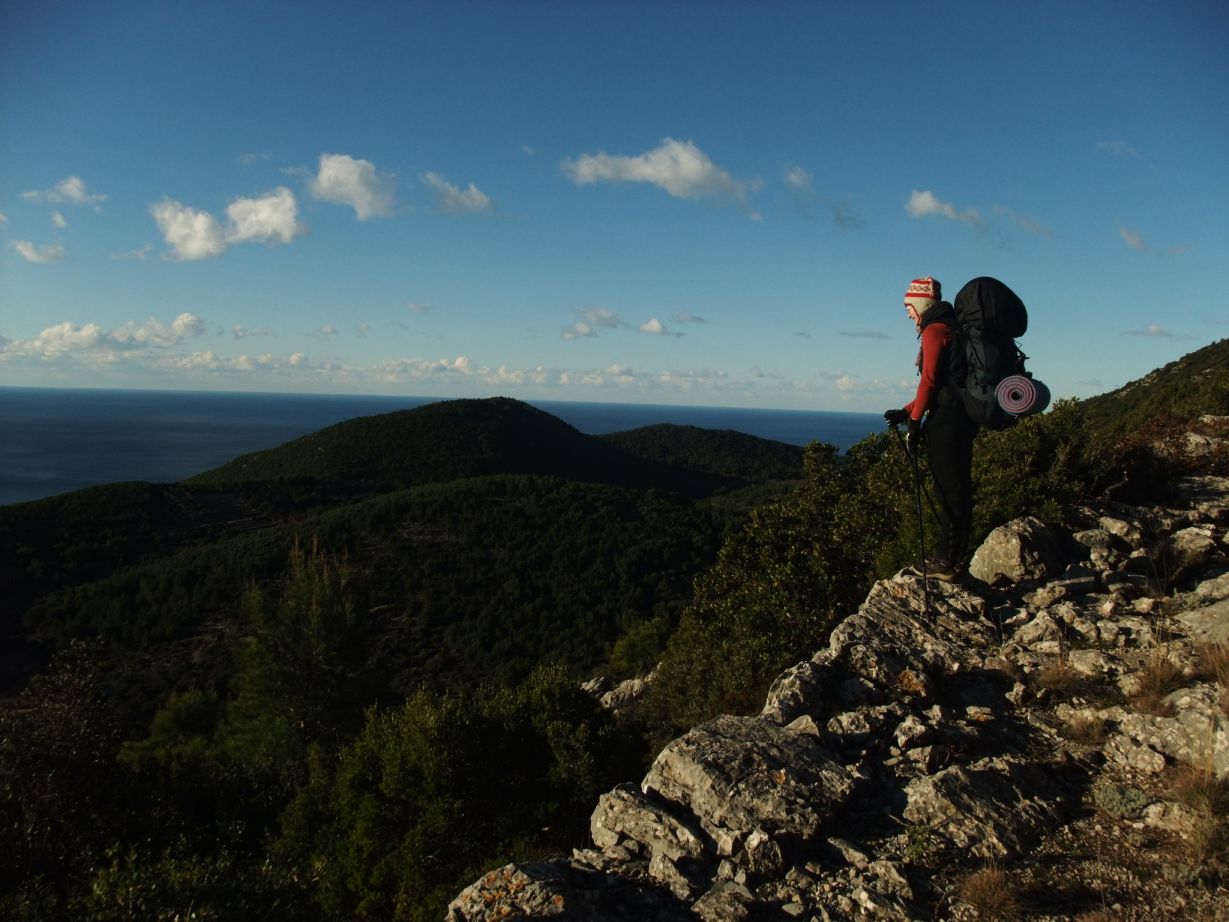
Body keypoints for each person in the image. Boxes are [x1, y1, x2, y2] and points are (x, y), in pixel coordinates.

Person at [883, 276, 978, 582]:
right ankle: (952, 556)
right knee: (956, 487)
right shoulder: (950, 327)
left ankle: (946, 562)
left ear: (920, 303)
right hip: (961, 418)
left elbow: (930, 381)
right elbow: (942, 383)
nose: (908, 313)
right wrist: (907, 410)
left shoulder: (934, 330)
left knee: (949, 490)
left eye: (908, 307)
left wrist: (914, 423)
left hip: (947, 422)